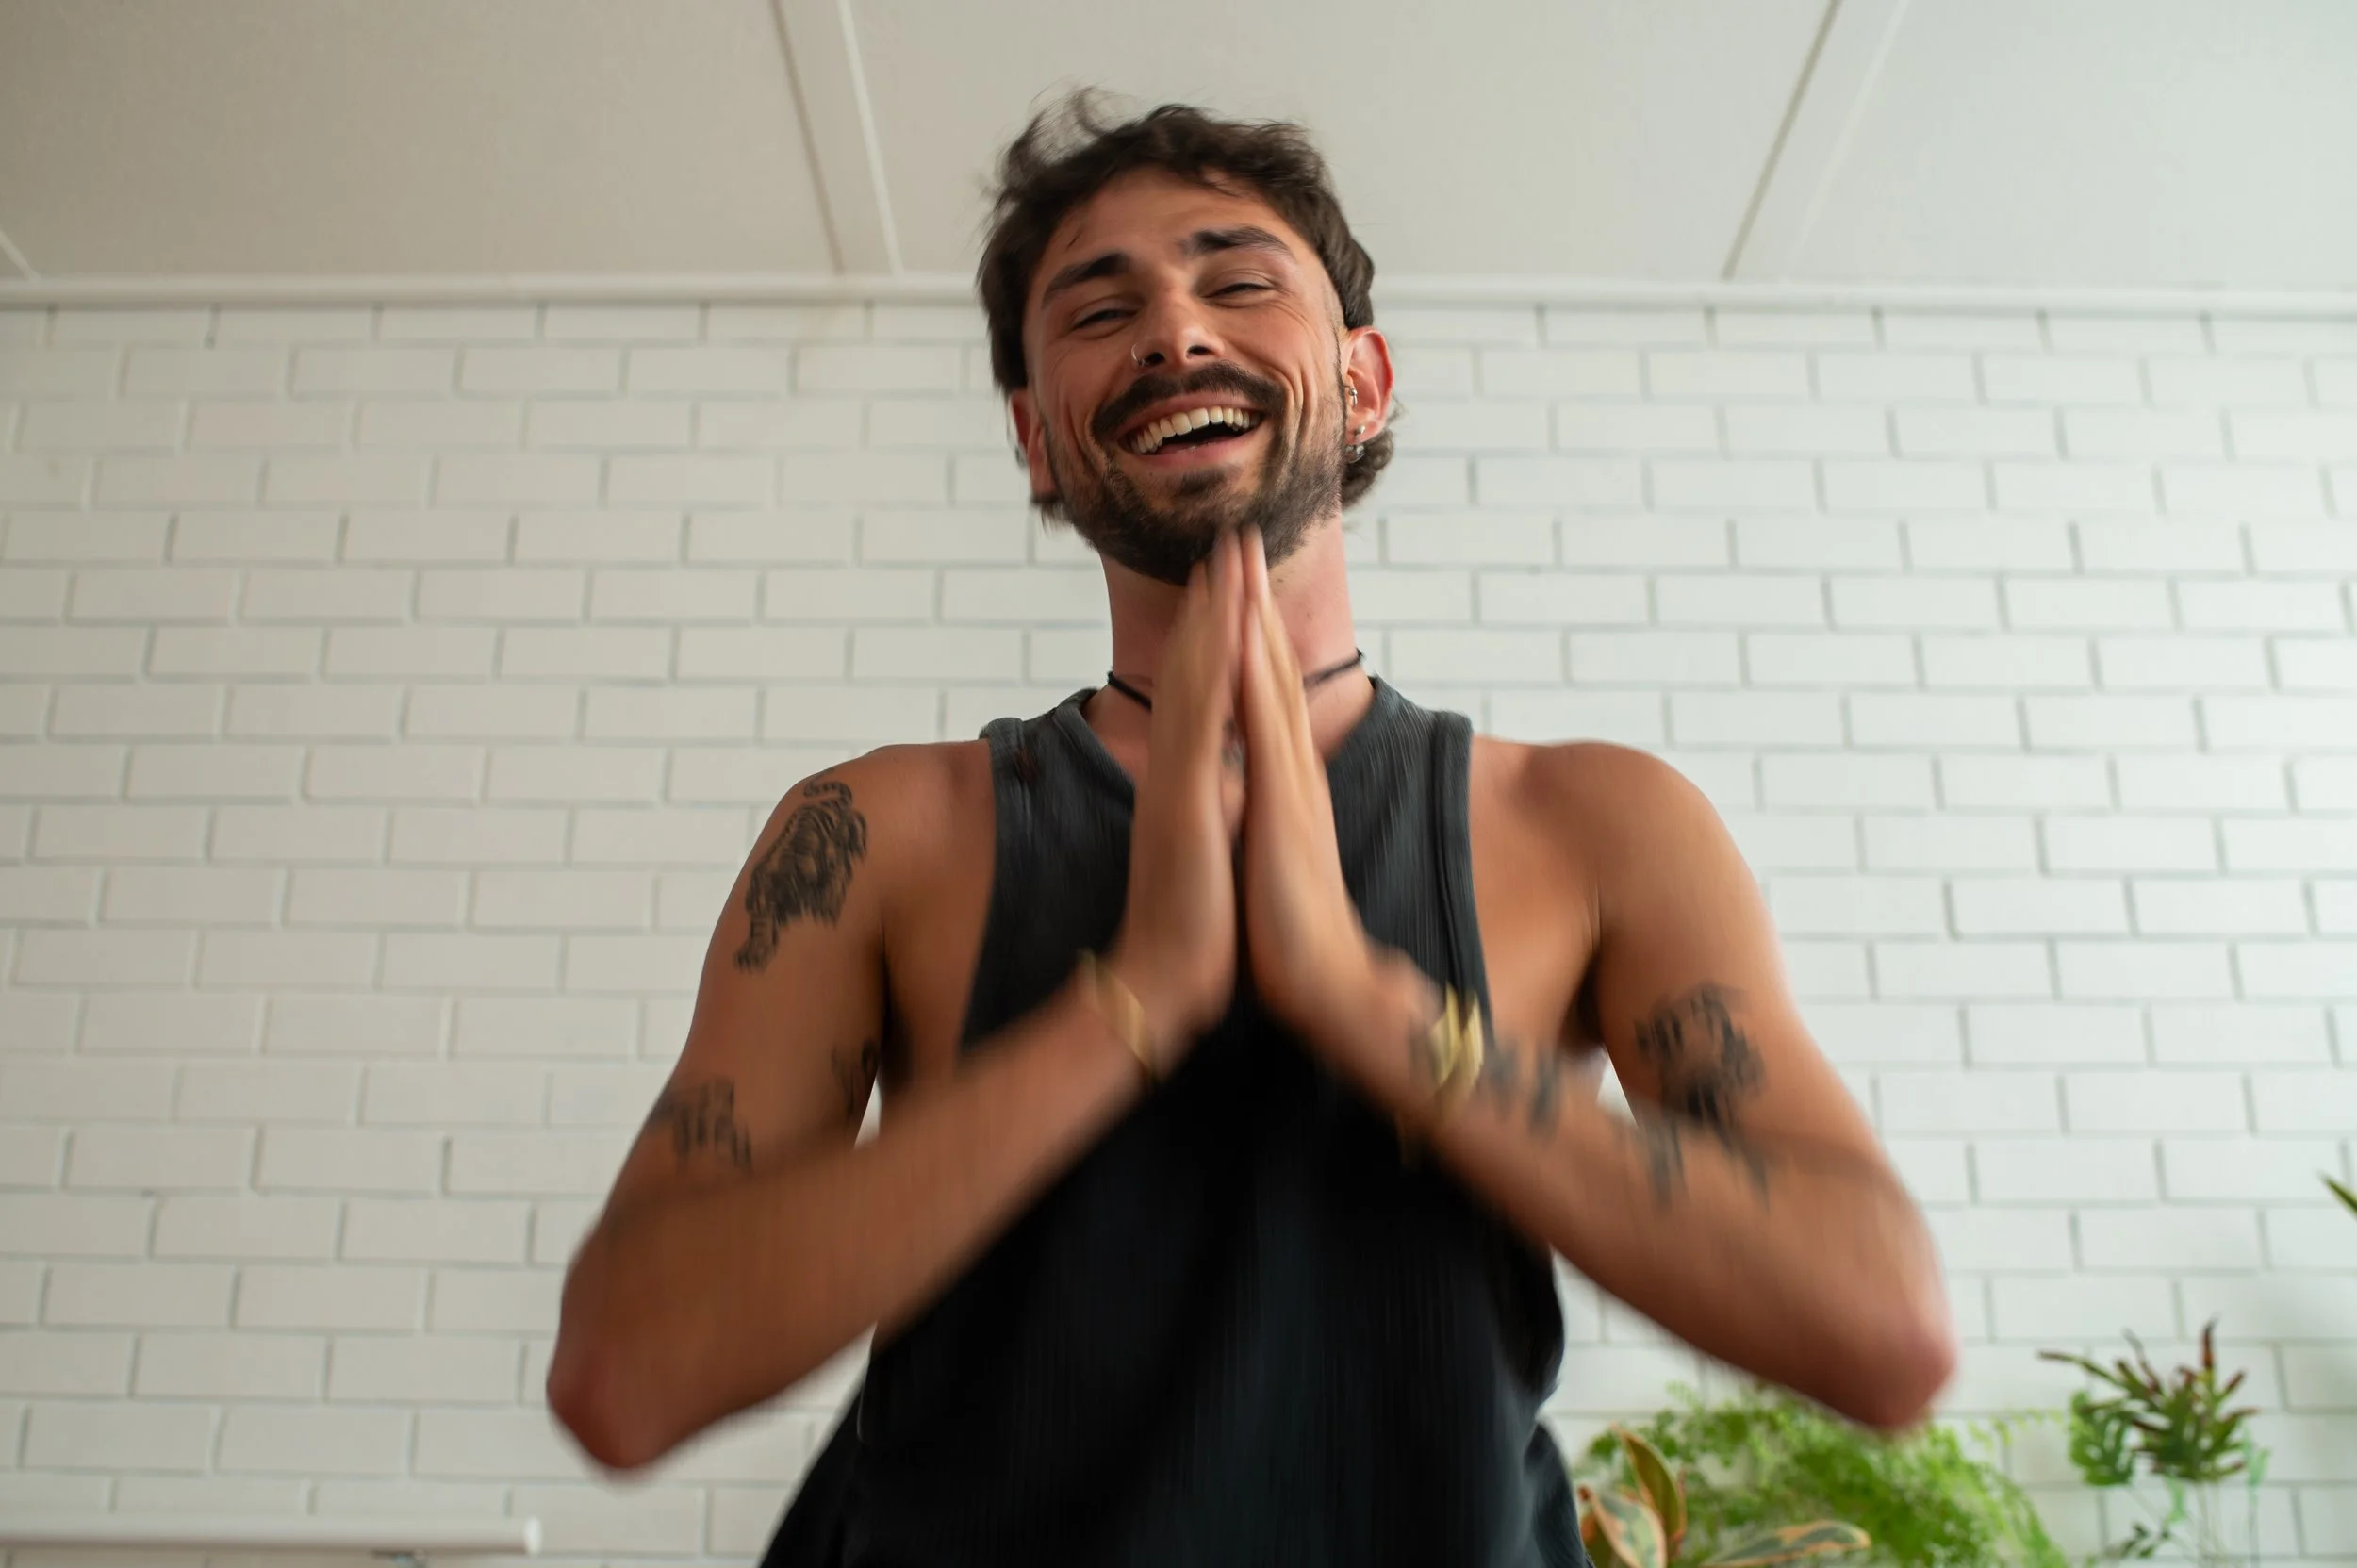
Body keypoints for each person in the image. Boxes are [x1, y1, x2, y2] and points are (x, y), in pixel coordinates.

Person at [546, 93, 1957, 1565]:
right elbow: (624, 1375)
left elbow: (1882, 1327)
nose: (1172, 330)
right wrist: (1134, 1001)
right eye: (1101, 310)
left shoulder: (1598, 824)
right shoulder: (874, 832)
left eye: (1236, 280)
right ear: (1035, 441)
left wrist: (1358, 1000)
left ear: (1364, 380)